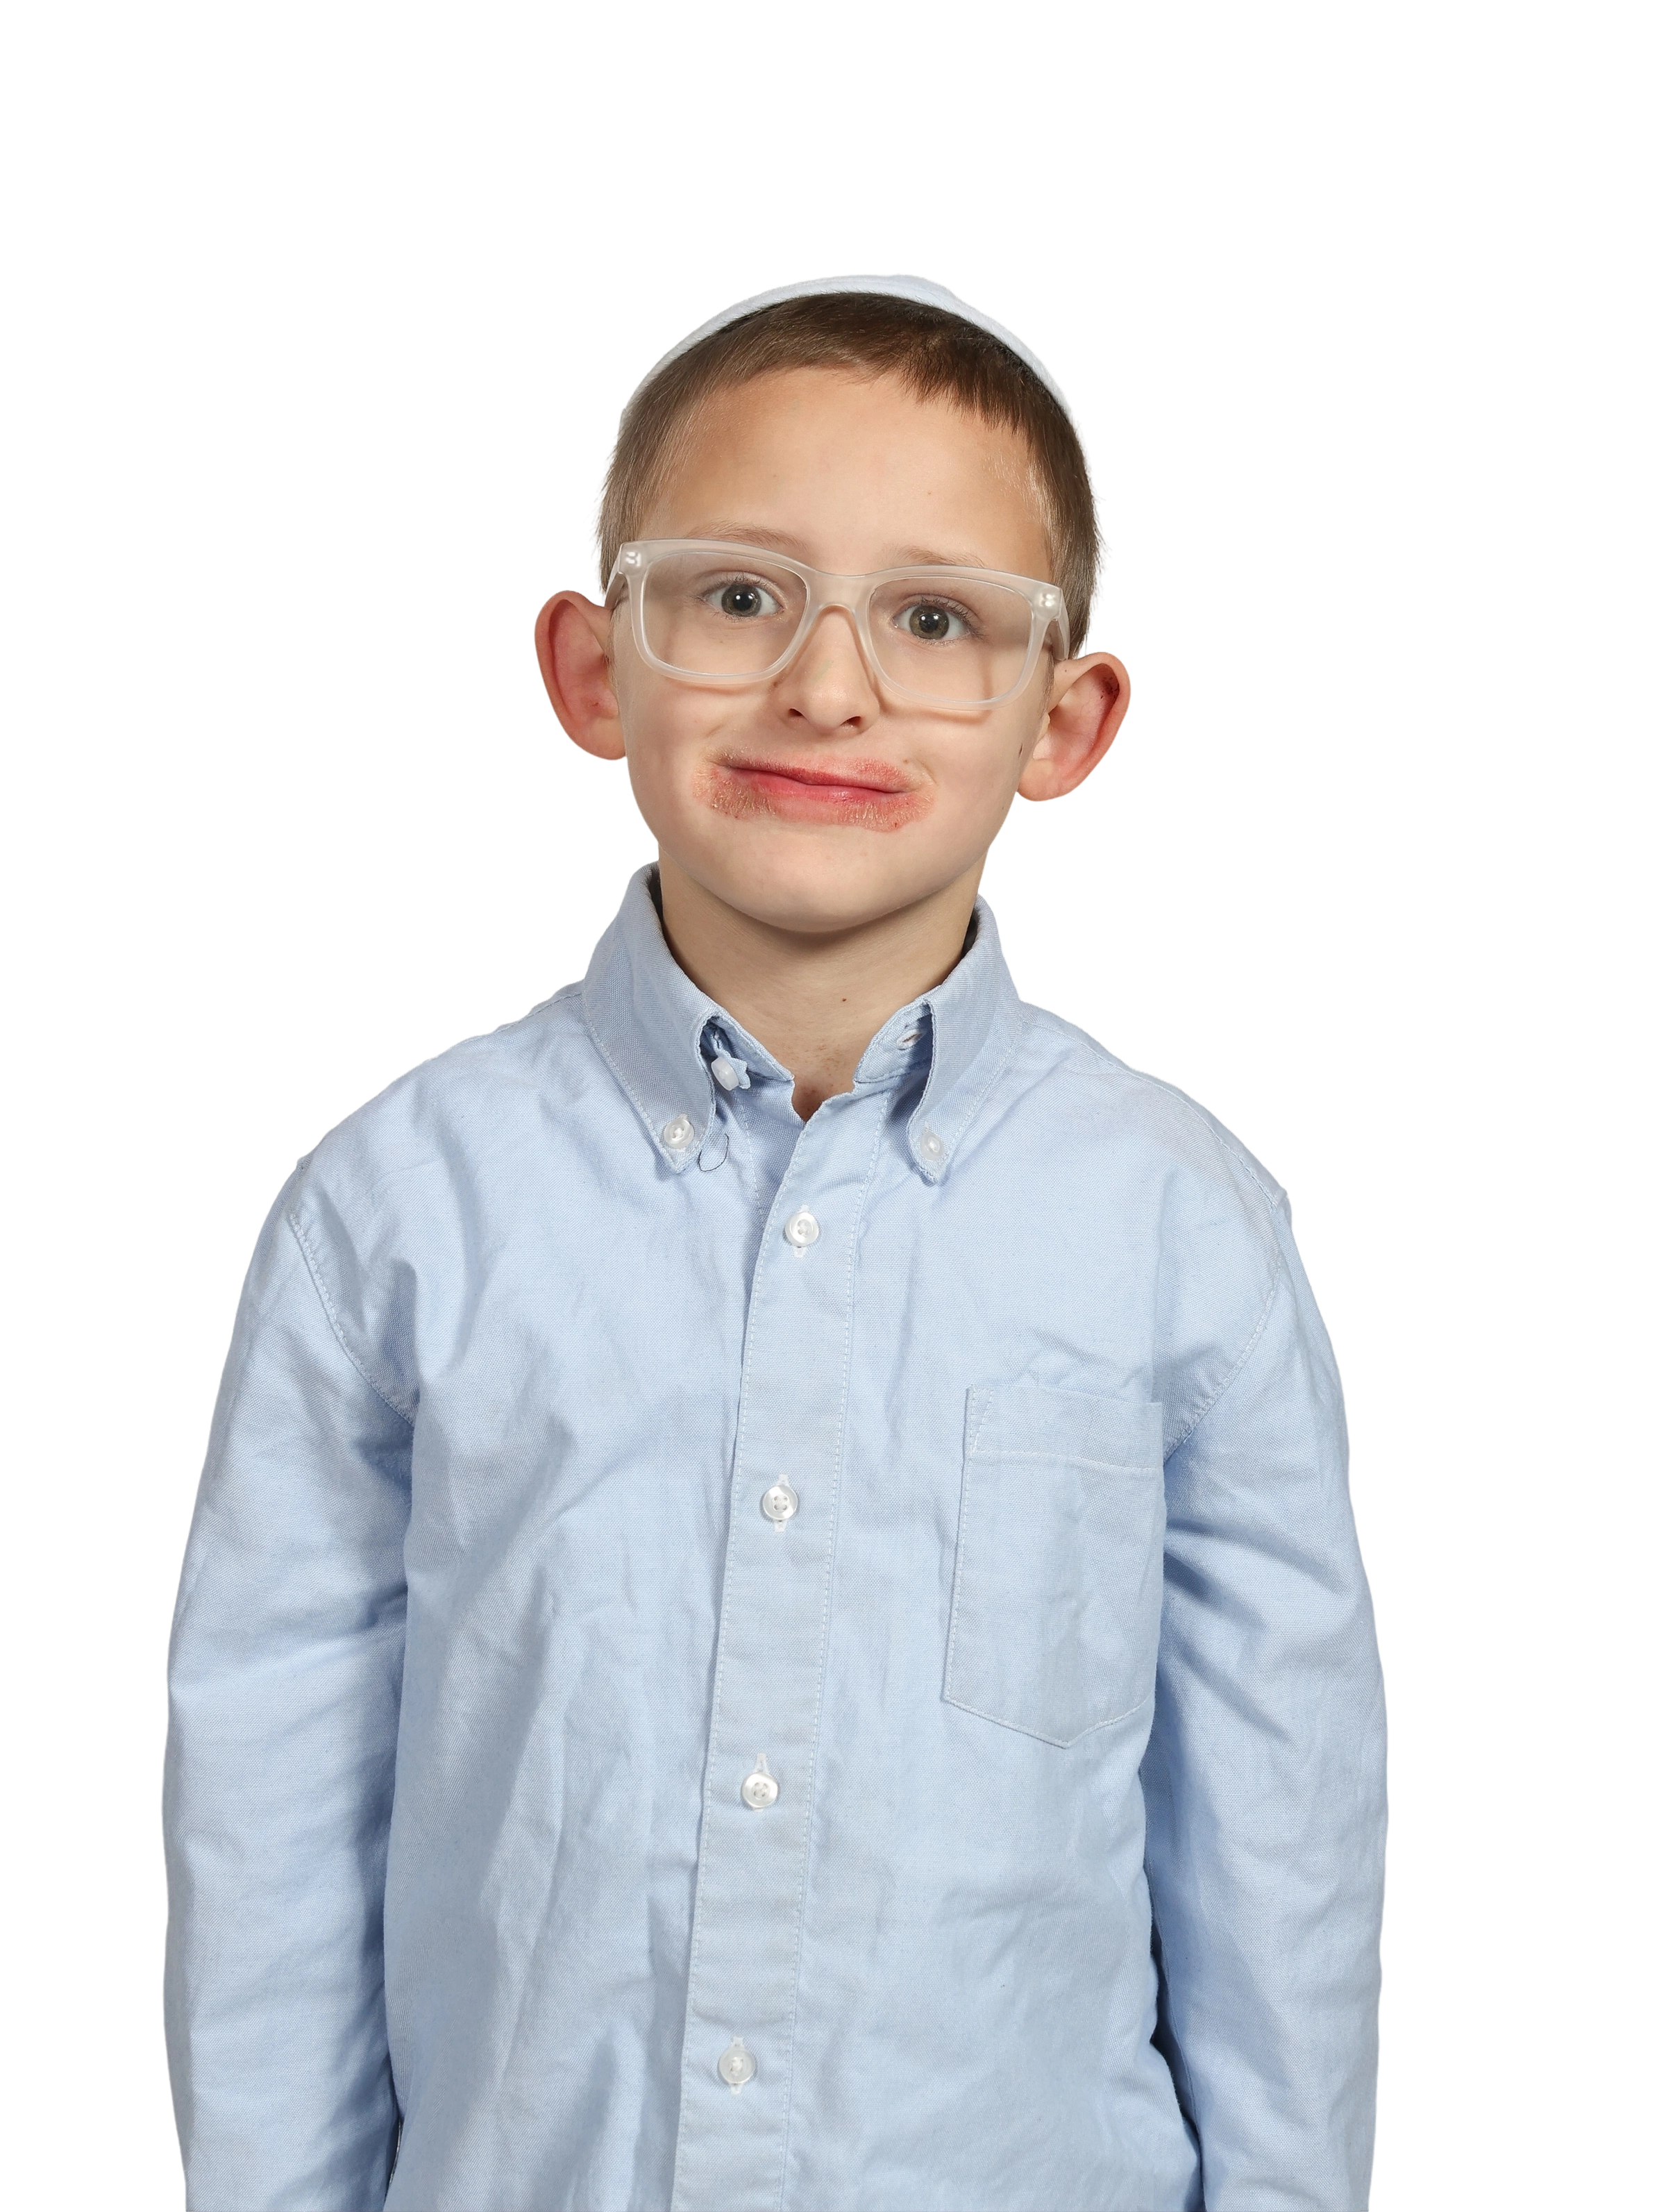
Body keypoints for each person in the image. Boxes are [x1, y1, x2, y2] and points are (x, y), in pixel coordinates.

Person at [160, 271, 1390, 2211]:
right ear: (591, 668)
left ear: (1067, 722)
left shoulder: (1180, 1225)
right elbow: (273, 1810)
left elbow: (1280, 1829)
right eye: (739, 595)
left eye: (935, 618)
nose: (829, 685)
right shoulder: (397, 1208)